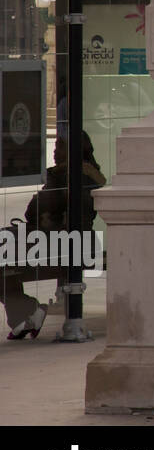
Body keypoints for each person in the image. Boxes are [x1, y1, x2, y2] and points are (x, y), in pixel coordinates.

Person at [4, 132, 105, 339]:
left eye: (60, 146)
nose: (55, 151)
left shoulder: (67, 176)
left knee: (4, 256)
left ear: (74, 150)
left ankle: (27, 312)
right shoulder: (86, 174)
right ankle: (26, 316)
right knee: (4, 259)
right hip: (70, 241)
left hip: (61, 243)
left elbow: (33, 209)